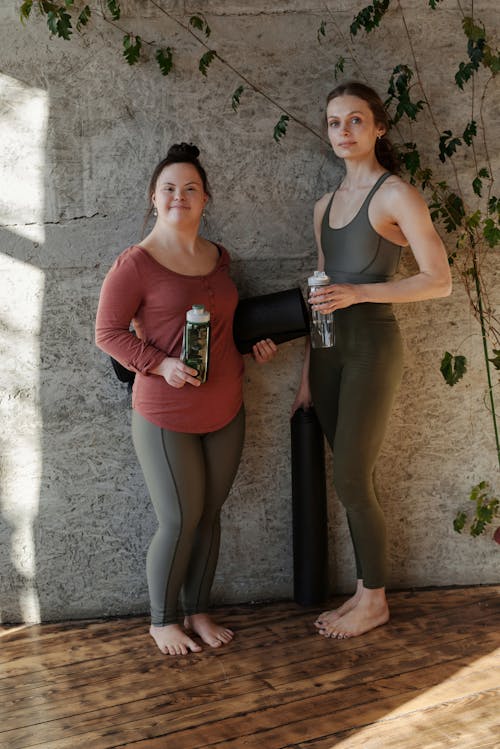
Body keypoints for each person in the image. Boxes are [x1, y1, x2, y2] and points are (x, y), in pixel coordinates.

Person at [95, 143, 277, 656]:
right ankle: (162, 620)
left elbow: (222, 326)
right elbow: (108, 333)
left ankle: (197, 610)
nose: (181, 196)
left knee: (210, 513)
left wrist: (252, 346)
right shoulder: (135, 263)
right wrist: (161, 364)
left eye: (191, 189)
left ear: (205, 199)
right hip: (164, 412)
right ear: (154, 198)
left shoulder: (218, 257)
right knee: (178, 518)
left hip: (226, 407)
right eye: (170, 188)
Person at [291, 81, 452, 639]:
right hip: (330, 356)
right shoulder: (323, 208)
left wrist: (362, 294)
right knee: (351, 479)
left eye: (355, 120)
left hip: (372, 351)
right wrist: (307, 374)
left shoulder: (395, 195)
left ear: (379, 127)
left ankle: (375, 600)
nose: (344, 132)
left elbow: (439, 281)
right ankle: (364, 592)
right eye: (335, 123)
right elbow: (319, 296)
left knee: (354, 478)